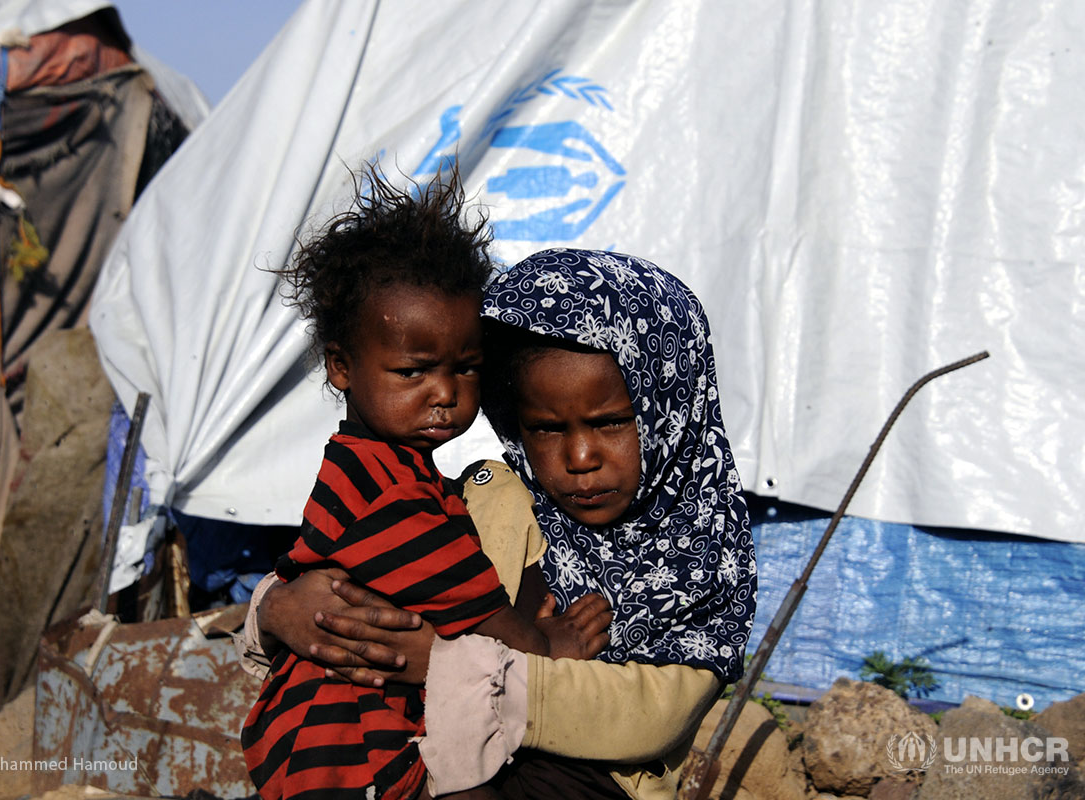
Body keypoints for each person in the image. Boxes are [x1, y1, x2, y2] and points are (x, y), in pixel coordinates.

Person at [242, 248, 758, 799]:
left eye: (611, 423)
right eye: (546, 428)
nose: (581, 456)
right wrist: (274, 608)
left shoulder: (701, 557)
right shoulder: (482, 497)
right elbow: (354, 564)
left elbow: (646, 717)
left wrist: (442, 666)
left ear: (670, 410)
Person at [241, 172, 613, 800]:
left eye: (466, 368)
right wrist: (553, 642)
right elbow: (489, 624)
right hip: (345, 742)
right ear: (341, 366)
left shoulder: (372, 467)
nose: (445, 394)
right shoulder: (394, 496)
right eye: (413, 371)